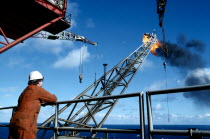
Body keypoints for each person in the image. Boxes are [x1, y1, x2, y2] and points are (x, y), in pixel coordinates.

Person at [9, 71, 57, 139]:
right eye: (42, 81)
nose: (42, 83)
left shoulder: (25, 91)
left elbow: (31, 100)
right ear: (38, 81)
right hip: (26, 123)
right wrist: (51, 101)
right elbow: (54, 99)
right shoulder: (37, 89)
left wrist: (44, 102)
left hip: (14, 122)